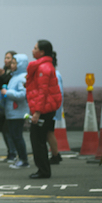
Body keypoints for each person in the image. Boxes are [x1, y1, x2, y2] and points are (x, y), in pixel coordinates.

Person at [26, 40, 62, 179]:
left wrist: (37, 112)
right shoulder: (44, 66)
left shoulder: (43, 68)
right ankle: (43, 169)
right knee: (39, 139)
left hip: (43, 110)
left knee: (38, 141)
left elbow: (43, 93)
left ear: (41, 52)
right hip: (45, 109)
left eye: (35, 48)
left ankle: (43, 170)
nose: (32, 50)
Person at [0, 53, 30, 169]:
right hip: (13, 112)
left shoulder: (22, 77)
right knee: (14, 136)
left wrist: (7, 93)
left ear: (21, 64)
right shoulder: (14, 77)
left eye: (14, 63)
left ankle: (24, 160)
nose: (11, 65)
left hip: (18, 112)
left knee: (17, 136)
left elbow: (23, 94)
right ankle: (21, 158)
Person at [0, 51, 18, 162]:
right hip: (3, 106)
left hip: (12, 105)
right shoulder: (4, 70)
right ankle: (10, 152)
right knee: (4, 130)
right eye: (5, 58)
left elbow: (10, 83)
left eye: (8, 58)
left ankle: (13, 153)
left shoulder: (15, 73)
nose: (6, 60)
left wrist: (3, 76)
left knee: (9, 131)